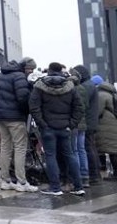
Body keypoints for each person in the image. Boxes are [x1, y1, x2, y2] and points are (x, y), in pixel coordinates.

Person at [29, 62, 85, 196]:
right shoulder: (70, 86)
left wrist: (42, 124)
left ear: (49, 71)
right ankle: (78, 187)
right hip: (65, 128)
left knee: (50, 156)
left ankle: (55, 188)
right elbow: (79, 107)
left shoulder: (39, 86)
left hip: (48, 128)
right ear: (61, 71)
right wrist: (71, 124)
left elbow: (34, 107)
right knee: (70, 155)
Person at [0, 57, 38, 192]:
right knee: (20, 148)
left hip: (1, 117)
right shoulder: (19, 76)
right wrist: (26, 111)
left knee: (5, 147)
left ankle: (5, 180)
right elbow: (23, 98)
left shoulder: (0, 75)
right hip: (16, 117)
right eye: (30, 69)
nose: (31, 72)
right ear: (24, 67)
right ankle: (22, 182)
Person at [71, 65, 101, 185]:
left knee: (86, 149)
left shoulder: (86, 86)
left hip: (86, 122)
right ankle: (94, 174)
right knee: (89, 148)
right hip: (90, 121)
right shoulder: (90, 84)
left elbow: (82, 103)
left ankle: (92, 174)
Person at [95, 81, 117, 178]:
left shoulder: (101, 95)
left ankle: (110, 172)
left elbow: (97, 111)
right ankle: (115, 172)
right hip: (113, 123)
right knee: (114, 149)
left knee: (107, 149)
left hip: (104, 125)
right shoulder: (113, 94)